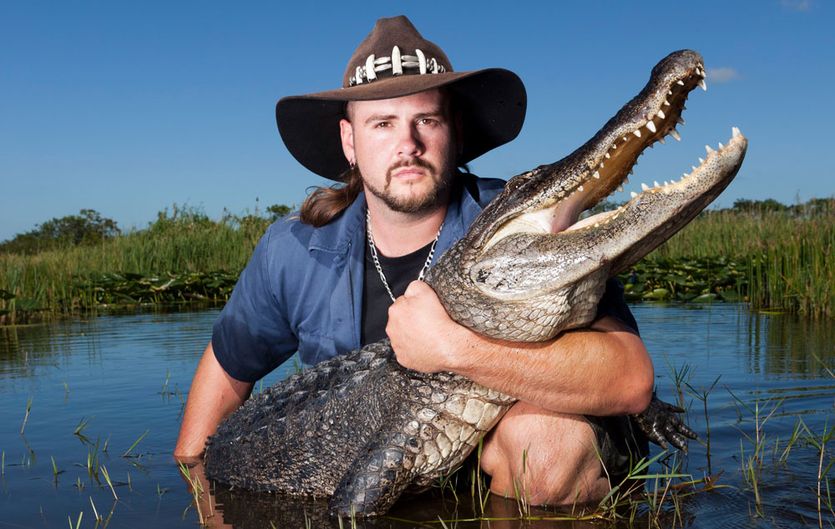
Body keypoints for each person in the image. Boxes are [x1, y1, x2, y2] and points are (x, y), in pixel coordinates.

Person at [174, 15, 654, 506]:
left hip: (500, 448)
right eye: (382, 124)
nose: (408, 144)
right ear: (350, 142)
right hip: (379, 460)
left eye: (426, 119)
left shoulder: (519, 225)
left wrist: (455, 349)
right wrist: (198, 494)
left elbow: (630, 378)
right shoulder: (292, 250)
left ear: (454, 130)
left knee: (546, 448)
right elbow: (228, 364)